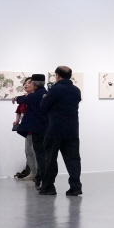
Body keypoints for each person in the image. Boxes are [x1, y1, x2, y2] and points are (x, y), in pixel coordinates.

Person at [36, 65, 82, 197]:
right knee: (73, 160)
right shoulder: (76, 90)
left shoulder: (55, 89)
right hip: (72, 129)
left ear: (57, 76)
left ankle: (48, 187)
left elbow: (43, 106)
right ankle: (75, 187)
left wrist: (45, 97)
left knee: (50, 159)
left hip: (55, 129)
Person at [11, 75, 47, 181]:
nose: (27, 85)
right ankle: (34, 172)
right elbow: (19, 110)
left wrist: (17, 98)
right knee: (29, 151)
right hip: (29, 128)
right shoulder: (28, 97)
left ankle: (39, 174)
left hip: (37, 128)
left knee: (36, 151)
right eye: (25, 83)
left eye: (29, 83)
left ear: (34, 84)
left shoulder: (35, 96)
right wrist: (17, 120)